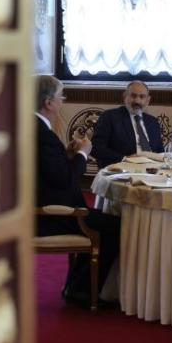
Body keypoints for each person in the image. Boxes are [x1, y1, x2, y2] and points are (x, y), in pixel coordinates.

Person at [36, 76, 121, 307]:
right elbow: (66, 180)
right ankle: (83, 292)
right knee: (117, 226)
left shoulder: (33, 130)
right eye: (61, 98)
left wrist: (68, 155)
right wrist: (84, 152)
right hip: (53, 216)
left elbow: (50, 172)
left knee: (103, 222)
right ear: (48, 103)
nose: (62, 102)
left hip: (46, 205)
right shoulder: (43, 135)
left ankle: (75, 286)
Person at [91, 80, 165, 168]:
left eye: (142, 97)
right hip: (122, 168)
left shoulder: (153, 122)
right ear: (125, 96)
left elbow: (160, 152)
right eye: (133, 96)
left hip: (151, 169)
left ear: (148, 100)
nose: (137, 101)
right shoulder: (110, 117)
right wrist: (125, 159)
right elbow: (95, 148)